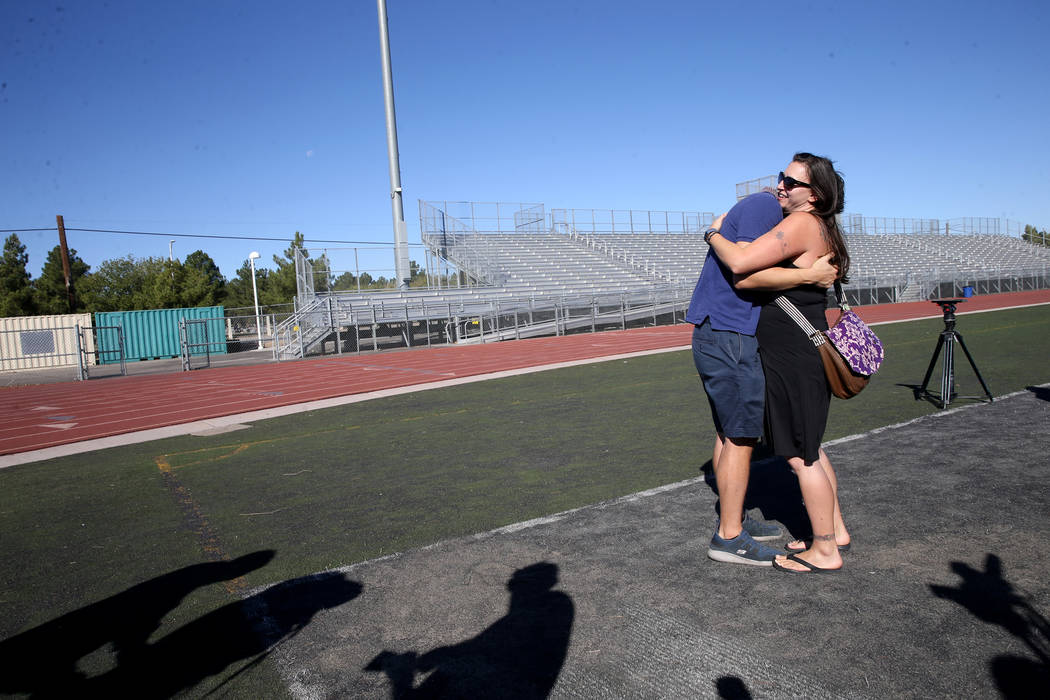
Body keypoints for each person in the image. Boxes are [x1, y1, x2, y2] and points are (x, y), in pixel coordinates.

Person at [706, 152, 852, 573]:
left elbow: (741, 268)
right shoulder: (822, 227)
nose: (781, 186)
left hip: (791, 355)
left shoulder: (802, 223)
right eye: (781, 177)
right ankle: (834, 531)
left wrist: (713, 234)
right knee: (811, 448)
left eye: (791, 181)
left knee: (798, 456)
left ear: (816, 194)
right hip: (800, 351)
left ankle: (825, 549)